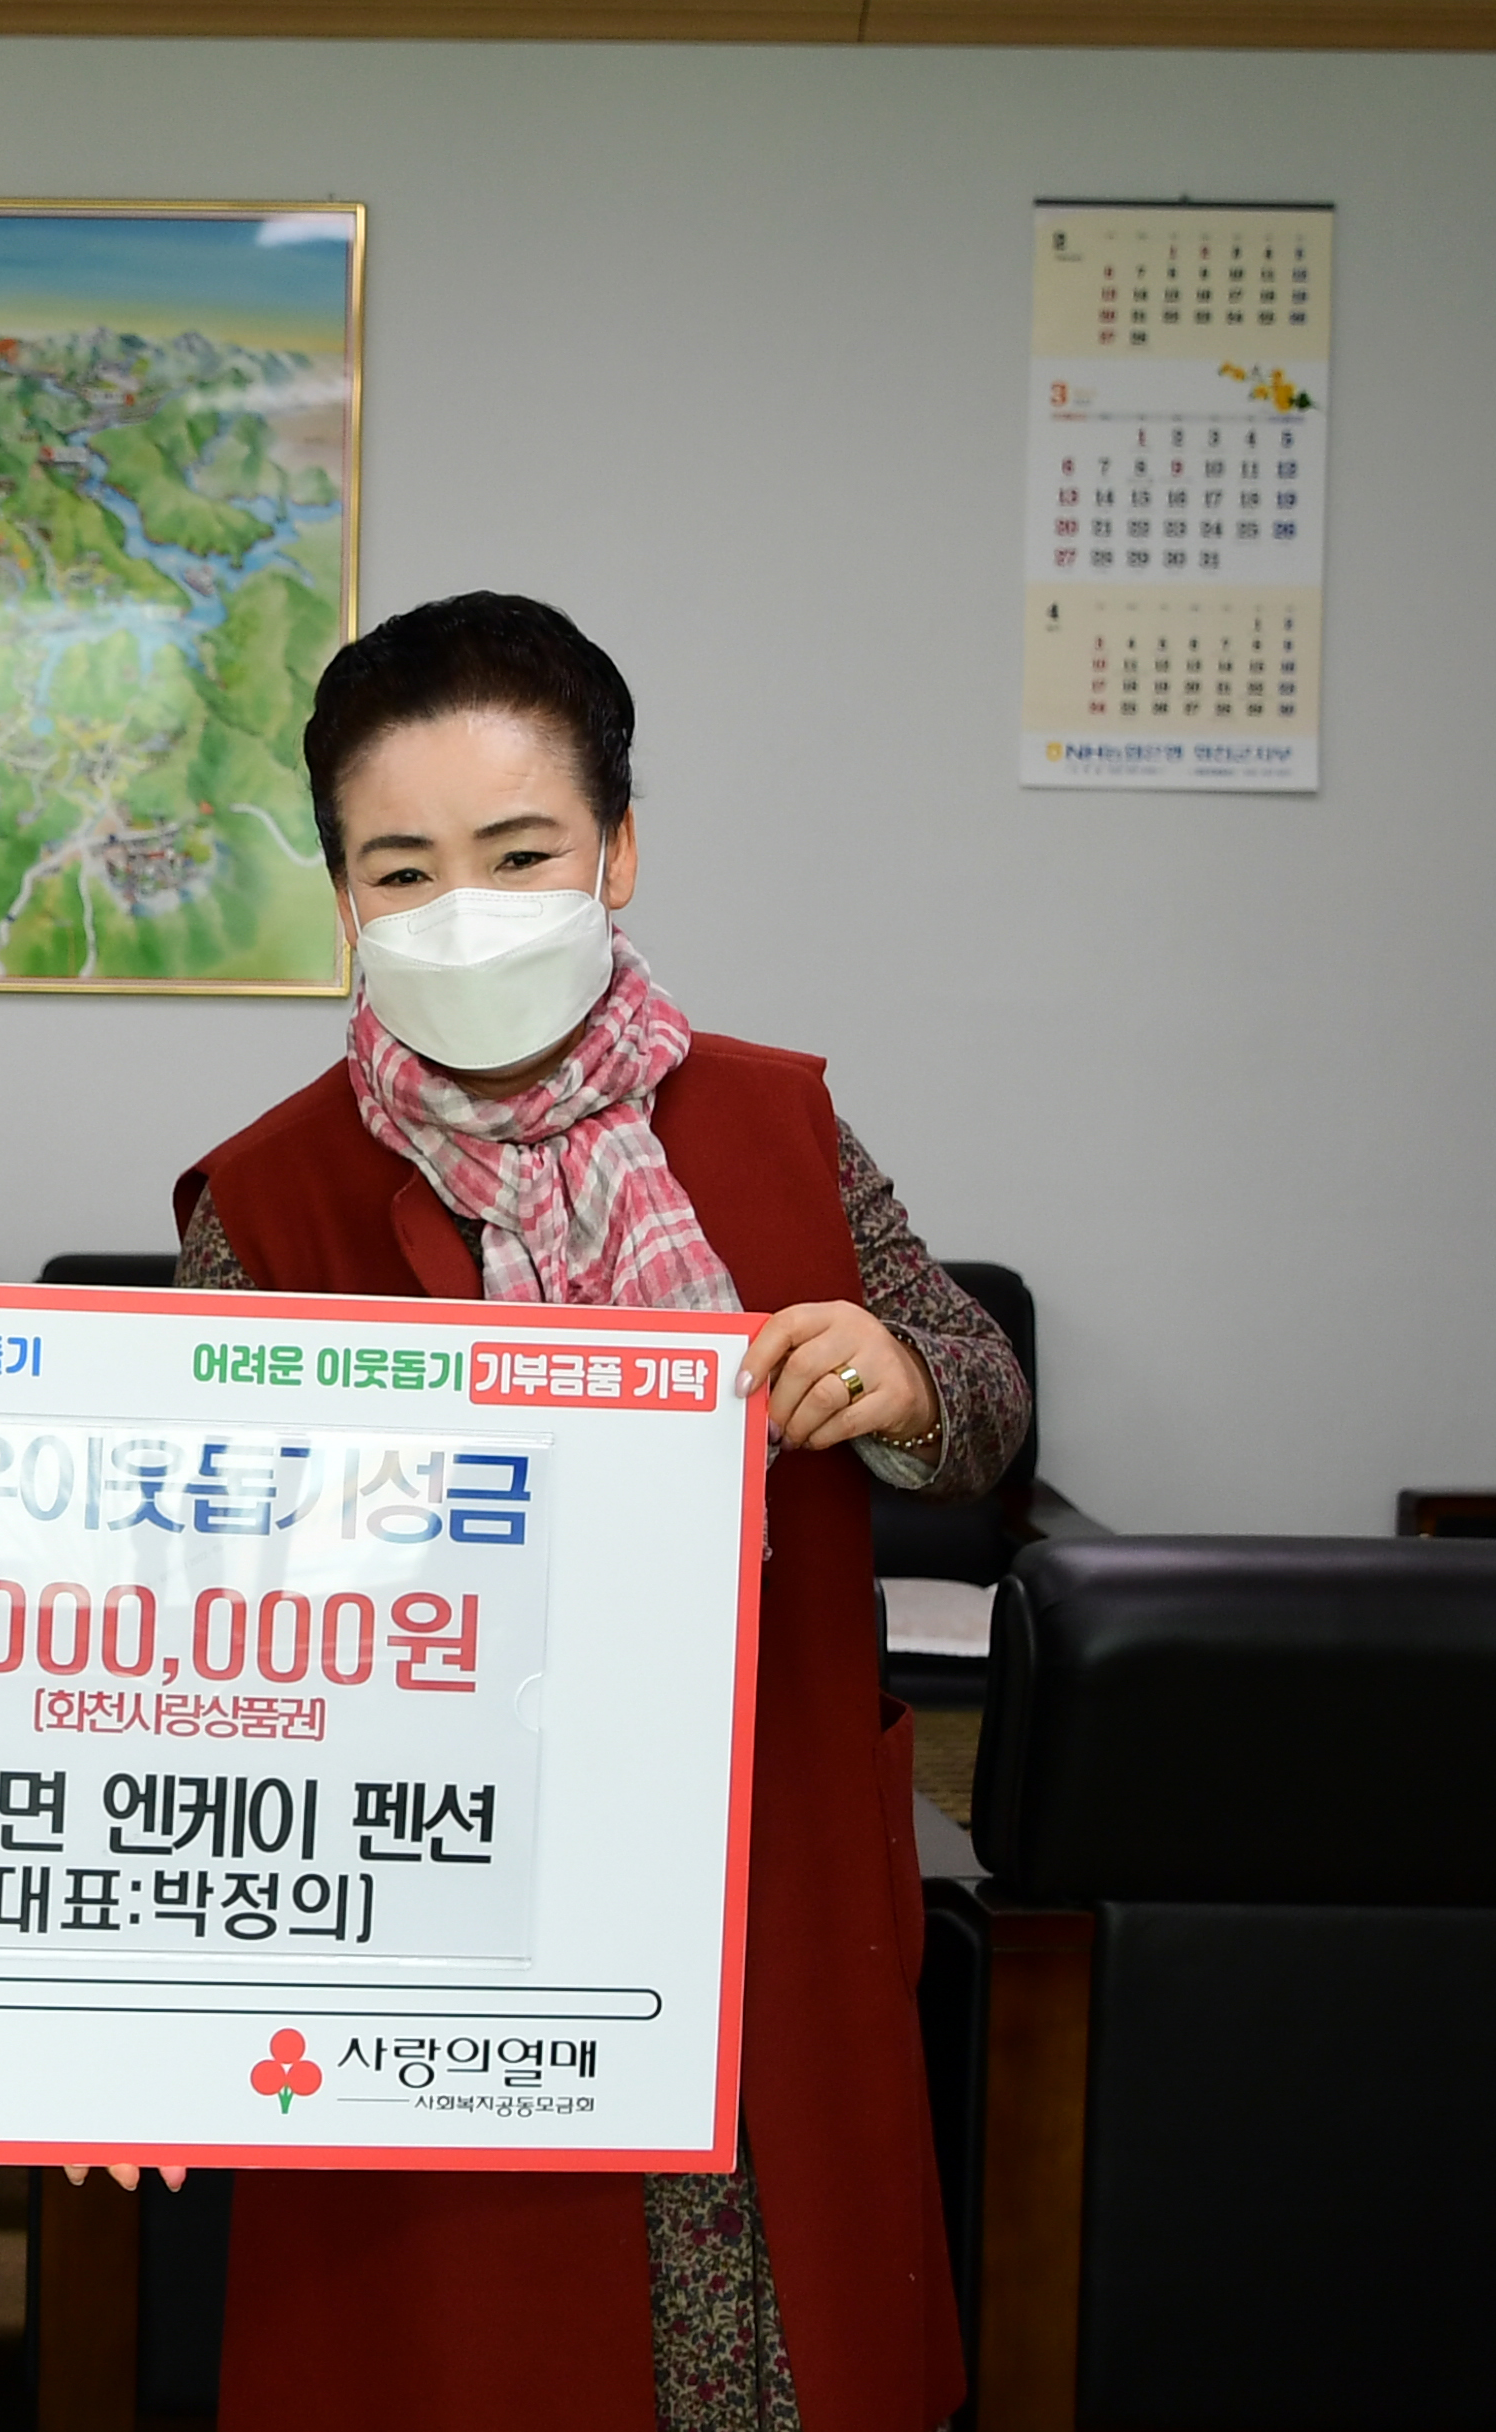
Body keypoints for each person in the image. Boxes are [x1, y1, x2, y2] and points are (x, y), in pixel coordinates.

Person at [173, 592, 1024, 2432]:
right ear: (343, 900)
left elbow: (978, 1401)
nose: (462, 908)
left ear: (618, 852)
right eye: (402, 871)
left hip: (754, 1871)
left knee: (770, 2353)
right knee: (456, 2360)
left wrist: (899, 1376)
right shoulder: (266, 1198)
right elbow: (204, 1590)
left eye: (519, 853)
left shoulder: (778, 1128)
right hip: (423, 1908)